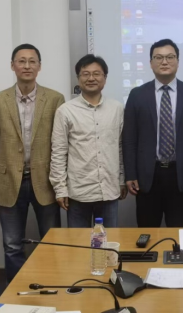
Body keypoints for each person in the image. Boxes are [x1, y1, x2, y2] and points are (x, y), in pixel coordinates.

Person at [0, 44, 65, 283]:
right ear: (12, 66)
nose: (27, 66)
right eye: (21, 61)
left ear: (39, 66)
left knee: (52, 241)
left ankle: (53, 287)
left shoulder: (55, 99)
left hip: (45, 181)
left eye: (32, 61)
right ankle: (16, 293)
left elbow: (61, 144)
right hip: (9, 181)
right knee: (12, 245)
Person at [123, 39, 183, 227]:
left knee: (178, 231)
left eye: (170, 57)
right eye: (158, 57)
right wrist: (130, 174)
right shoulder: (137, 95)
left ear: (178, 61)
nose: (164, 62)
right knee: (147, 232)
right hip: (147, 174)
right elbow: (129, 139)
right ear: (151, 63)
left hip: (181, 174)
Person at [50, 54, 127, 227]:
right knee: (78, 242)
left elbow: (120, 148)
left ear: (105, 78)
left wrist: (122, 180)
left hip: (109, 190)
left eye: (96, 74)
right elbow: (59, 152)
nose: (91, 78)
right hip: (78, 193)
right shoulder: (65, 111)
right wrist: (60, 189)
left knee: (108, 242)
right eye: (85, 74)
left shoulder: (117, 109)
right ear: (78, 78)